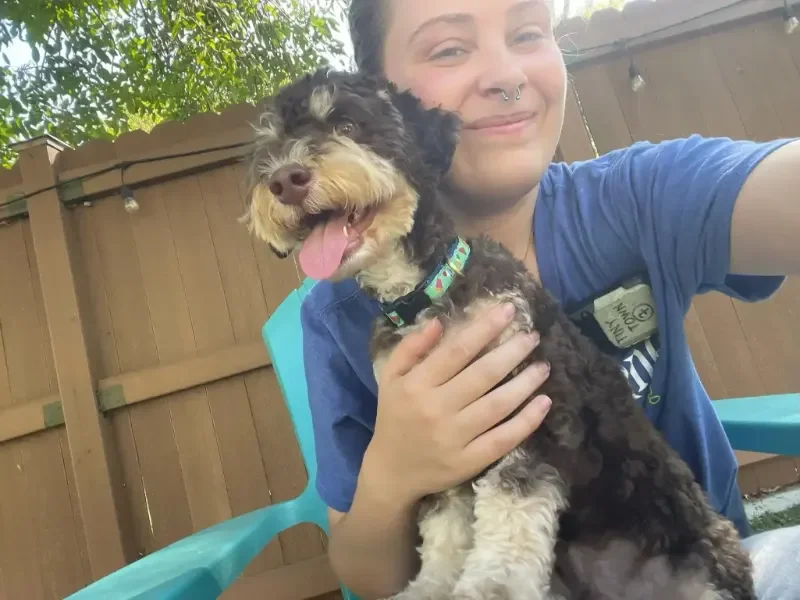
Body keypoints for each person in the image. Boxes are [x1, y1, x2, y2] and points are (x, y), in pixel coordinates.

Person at [299, 1, 800, 598]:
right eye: (450, 48)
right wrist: (393, 475)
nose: (507, 75)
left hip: (687, 571)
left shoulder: (637, 199)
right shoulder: (340, 318)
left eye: (529, 33)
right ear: (380, 99)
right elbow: (366, 575)